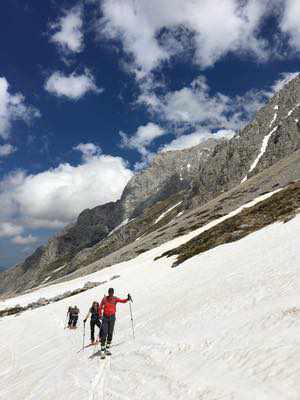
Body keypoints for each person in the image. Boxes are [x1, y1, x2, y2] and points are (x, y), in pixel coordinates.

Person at [99, 288, 131, 357]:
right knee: (104, 333)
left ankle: (107, 349)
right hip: (105, 318)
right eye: (110, 292)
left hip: (112, 318)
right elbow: (100, 307)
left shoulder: (115, 299)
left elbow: (122, 301)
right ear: (108, 292)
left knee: (110, 333)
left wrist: (127, 299)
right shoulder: (104, 299)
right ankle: (102, 351)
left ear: (113, 293)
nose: (111, 293)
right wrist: (100, 315)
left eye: (112, 292)